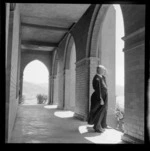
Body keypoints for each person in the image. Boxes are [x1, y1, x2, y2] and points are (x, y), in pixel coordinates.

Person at [88, 65, 108, 133]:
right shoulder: (96, 78)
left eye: (104, 70)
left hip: (104, 96)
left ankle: (101, 125)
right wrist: (100, 99)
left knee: (103, 111)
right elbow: (97, 89)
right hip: (99, 97)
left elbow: (104, 86)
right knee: (99, 112)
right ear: (98, 70)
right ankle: (97, 127)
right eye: (102, 70)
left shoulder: (102, 77)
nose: (104, 71)